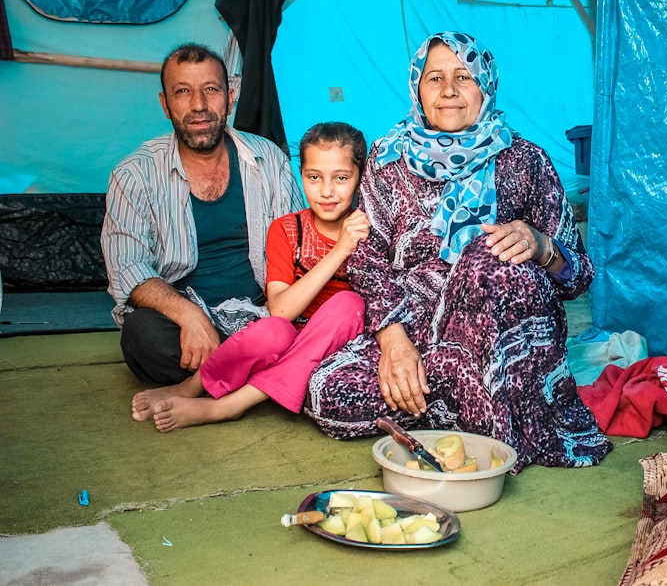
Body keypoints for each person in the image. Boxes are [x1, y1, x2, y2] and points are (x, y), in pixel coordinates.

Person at [304, 31, 612, 472]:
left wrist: (543, 247)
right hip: (419, 330)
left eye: (463, 77)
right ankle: (473, 396)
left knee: (486, 259)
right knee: (328, 391)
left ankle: (479, 401)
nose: (448, 91)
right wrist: (393, 342)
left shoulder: (525, 161)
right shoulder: (388, 161)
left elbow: (579, 275)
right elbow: (368, 258)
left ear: (485, 84)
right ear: (417, 87)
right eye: (434, 78)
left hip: (503, 329)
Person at [130, 122, 371, 431]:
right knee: (273, 330)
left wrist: (352, 243)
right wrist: (340, 250)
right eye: (314, 177)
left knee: (347, 303)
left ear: (360, 179)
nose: (326, 191)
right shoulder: (286, 230)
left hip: (340, 349)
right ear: (301, 176)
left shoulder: (370, 230)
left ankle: (229, 405)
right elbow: (282, 310)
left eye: (341, 178)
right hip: (293, 339)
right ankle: (194, 385)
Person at [101, 43, 306, 385]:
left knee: (334, 311)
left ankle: (218, 376)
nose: (198, 105)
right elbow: (127, 268)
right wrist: (190, 317)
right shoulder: (133, 174)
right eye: (183, 92)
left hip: (263, 315)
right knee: (142, 333)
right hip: (184, 322)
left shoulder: (268, 159)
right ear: (166, 104)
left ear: (230, 96)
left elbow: (301, 245)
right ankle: (267, 373)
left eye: (210, 90)